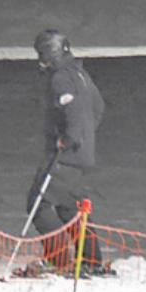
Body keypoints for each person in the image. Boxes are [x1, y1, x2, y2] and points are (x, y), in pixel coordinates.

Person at [28, 29, 107, 272]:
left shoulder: (61, 78)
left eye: (42, 55)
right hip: (82, 154)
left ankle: (61, 262)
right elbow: (98, 107)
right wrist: (86, 135)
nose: (40, 62)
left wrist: (70, 138)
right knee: (69, 207)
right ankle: (91, 261)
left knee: (38, 205)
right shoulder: (80, 74)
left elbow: (71, 111)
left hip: (66, 155)